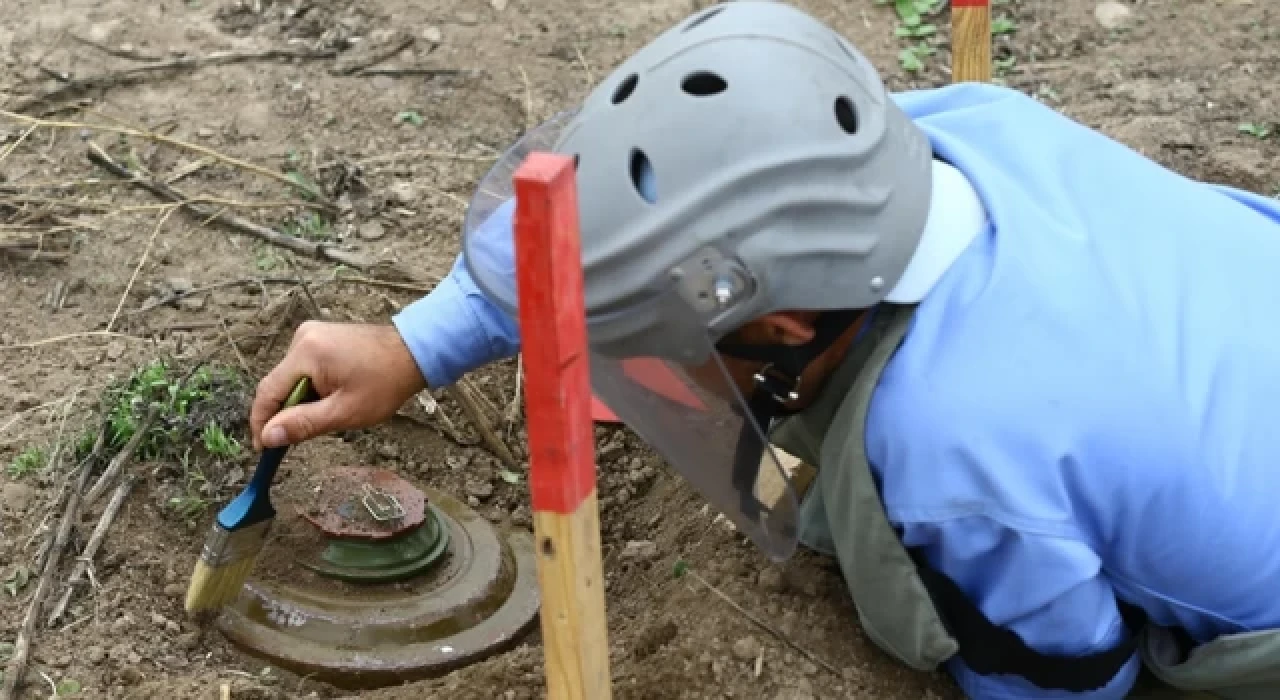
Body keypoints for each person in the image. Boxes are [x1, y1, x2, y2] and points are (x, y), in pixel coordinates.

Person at [247, 2, 1280, 698]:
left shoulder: (954, 454)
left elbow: (1066, 678)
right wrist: (415, 342)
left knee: (892, 537)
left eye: (670, 341)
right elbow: (630, 222)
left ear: (781, 326)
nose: (665, 361)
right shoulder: (963, 127)